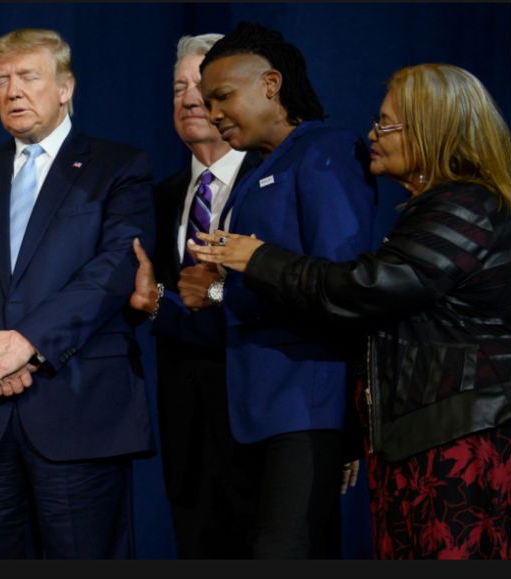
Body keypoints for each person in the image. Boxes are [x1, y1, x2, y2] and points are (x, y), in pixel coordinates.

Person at [189, 63, 511, 560]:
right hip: (419, 442)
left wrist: (257, 258)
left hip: (461, 445)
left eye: (386, 124)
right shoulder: (437, 210)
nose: (372, 136)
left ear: (432, 127)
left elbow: (366, 289)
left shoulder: (466, 205)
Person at [132, 22, 377, 558]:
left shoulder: (327, 152)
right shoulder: (270, 167)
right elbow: (250, 297)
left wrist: (239, 275)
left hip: (304, 406)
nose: (212, 111)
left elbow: (342, 286)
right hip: (254, 411)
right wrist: (193, 297)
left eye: (222, 96)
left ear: (271, 85)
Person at [0, 28, 155, 559]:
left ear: (65, 86)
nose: (13, 91)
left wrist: (27, 342)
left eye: (28, 77)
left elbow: (115, 267)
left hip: (77, 407)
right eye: (1, 81)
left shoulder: (118, 167)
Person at [133, 32, 261, 558]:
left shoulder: (271, 181)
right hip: (186, 425)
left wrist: (177, 299)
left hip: (260, 423)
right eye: (178, 86)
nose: (188, 97)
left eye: (202, 85)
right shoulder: (156, 198)